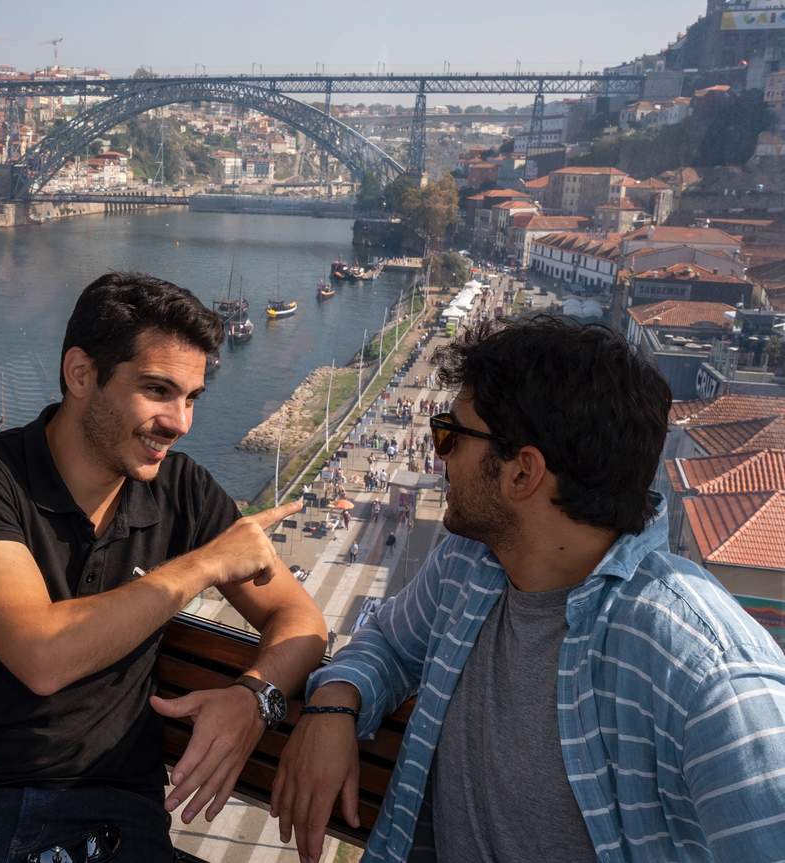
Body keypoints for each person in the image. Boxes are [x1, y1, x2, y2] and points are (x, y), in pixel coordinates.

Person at [272, 316, 785, 863]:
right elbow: (392, 643)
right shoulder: (471, 563)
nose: (439, 454)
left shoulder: (708, 677)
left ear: (523, 474)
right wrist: (333, 705)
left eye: (451, 433)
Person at [0, 273, 327, 863]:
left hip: (111, 809)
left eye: (191, 398)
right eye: (158, 390)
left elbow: (300, 618)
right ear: (81, 374)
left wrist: (254, 698)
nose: (181, 422)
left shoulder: (183, 491)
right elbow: (41, 656)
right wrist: (205, 564)